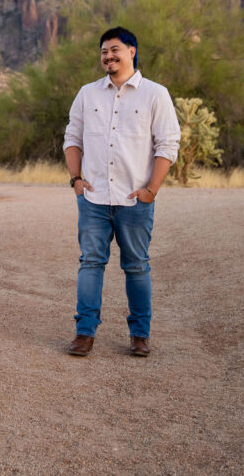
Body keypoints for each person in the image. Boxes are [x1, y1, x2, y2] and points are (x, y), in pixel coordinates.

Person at [63, 26, 180, 358]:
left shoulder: (156, 94)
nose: (108, 56)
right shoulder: (88, 94)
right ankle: (84, 332)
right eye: (103, 52)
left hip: (134, 200)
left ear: (132, 51)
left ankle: (139, 335)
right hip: (94, 199)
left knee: (137, 266)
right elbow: (73, 137)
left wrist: (151, 190)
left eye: (114, 50)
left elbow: (168, 144)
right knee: (90, 264)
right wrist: (76, 180)